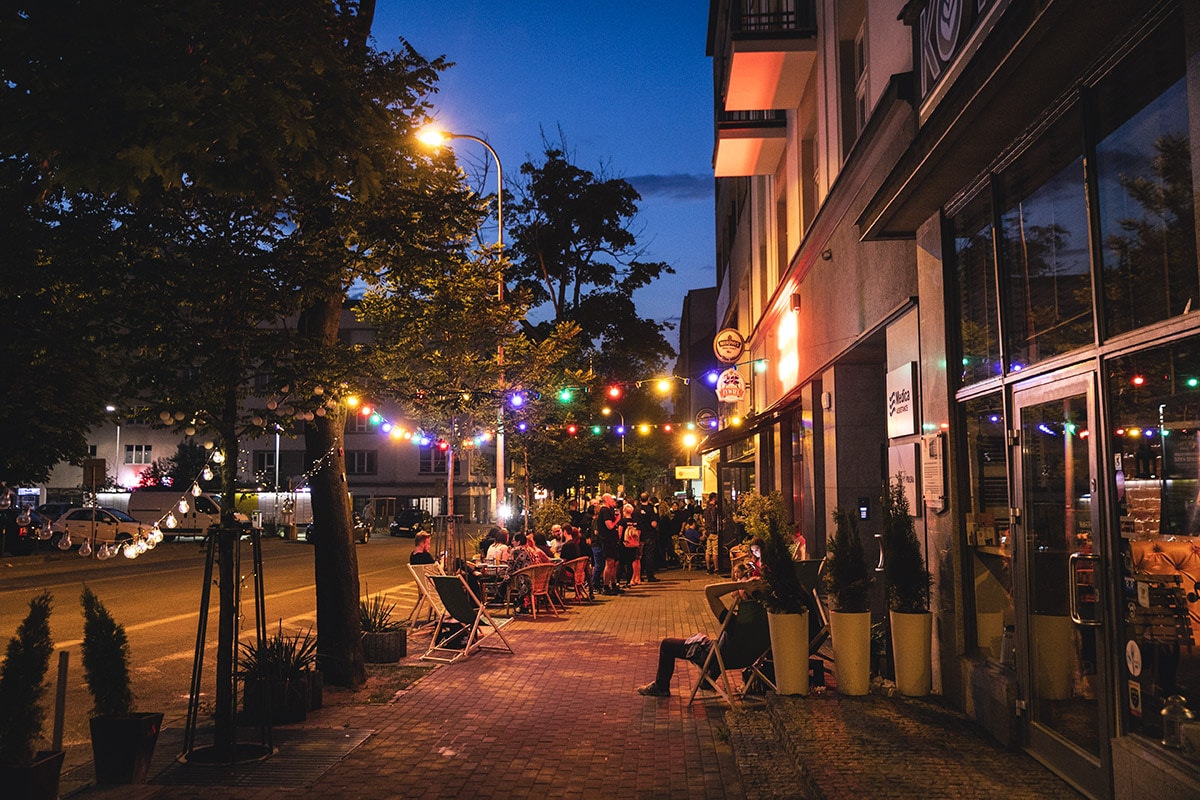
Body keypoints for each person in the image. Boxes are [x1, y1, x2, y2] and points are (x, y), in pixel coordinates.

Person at [636, 578, 766, 697]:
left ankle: (661, 686)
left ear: (745, 595)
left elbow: (709, 591)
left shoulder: (734, 623)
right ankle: (707, 682)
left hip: (716, 659)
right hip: (743, 659)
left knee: (667, 644)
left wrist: (740, 585)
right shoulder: (766, 621)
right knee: (719, 646)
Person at [597, 493, 623, 595]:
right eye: (611, 500)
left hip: (613, 541)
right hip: (607, 541)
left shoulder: (610, 510)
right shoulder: (605, 511)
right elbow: (610, 526)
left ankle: (614, 584)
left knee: (615, 563)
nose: (613, 501)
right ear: (606, 500)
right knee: (609, 563)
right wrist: (617, 519)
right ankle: (606, 586)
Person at [634, 492, 660, 582]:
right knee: (649, 556)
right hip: (649, 535)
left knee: (639, 556)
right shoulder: (651, 509)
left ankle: (638, 575)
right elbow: (654, 524)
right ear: (648, 499)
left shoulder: (637, 509)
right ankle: (650, 575)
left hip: (639, 535)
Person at [619, 503, 642, 586]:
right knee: (632, 562)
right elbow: (638, 532)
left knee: (622, 563)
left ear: (624, 511)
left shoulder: (623, 521)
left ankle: (618, 581)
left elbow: (620, 533)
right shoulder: (635, 522)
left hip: (625, 544)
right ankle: (632, 579)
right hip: (634, 544)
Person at [702, 493, 721, 575]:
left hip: (708, 532)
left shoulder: (706, 509)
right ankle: (716, 569)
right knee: (715, 551)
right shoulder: (713, 508)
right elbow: (714, 520)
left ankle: (708, 568)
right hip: (713, 531)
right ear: (714, 498)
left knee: (708, 551)